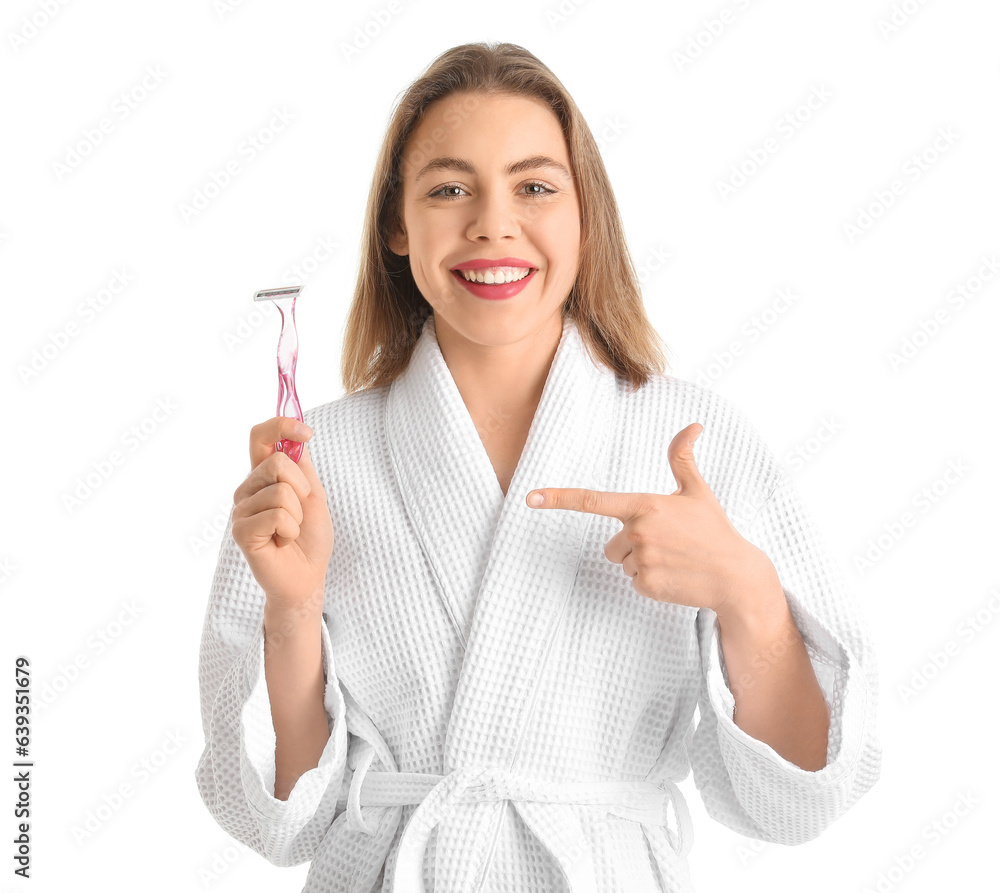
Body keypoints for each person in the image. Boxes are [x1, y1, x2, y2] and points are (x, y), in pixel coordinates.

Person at [195, 41, 880, 893]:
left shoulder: (698, 440)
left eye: (535, 187)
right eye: (449, 188)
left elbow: (801, 800)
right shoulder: (310, 465)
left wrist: (749, 596)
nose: (492, 222)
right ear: (397, 226)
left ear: (583, 215)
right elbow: (279, 819)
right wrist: (293, 610)